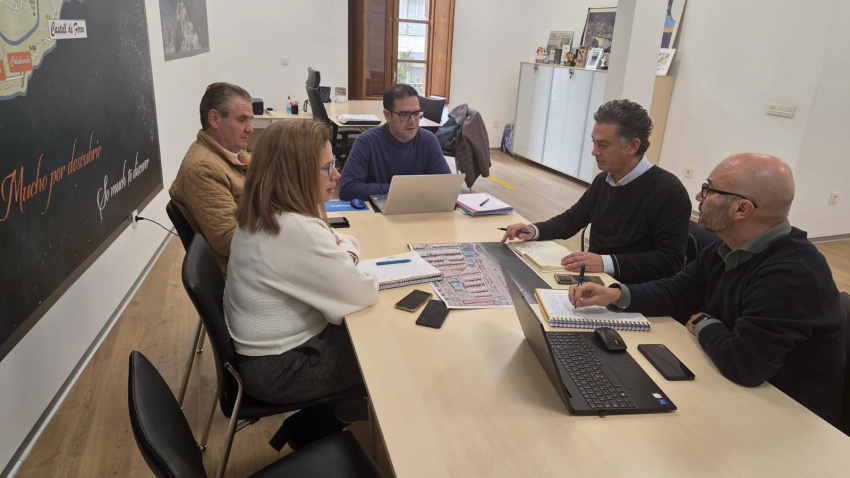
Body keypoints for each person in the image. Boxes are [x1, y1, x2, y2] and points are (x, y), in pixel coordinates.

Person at [568, 153, 846, 424]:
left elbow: (743, 365)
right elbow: (677, 292)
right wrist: (615, 295)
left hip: (788, 416)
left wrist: (703, 321)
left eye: (709, 189)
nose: (700, 197)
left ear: (742, 209)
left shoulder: (792, 275)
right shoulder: (727, 247)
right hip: (736, 389)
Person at [223, 119, 378, 405]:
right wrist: (348, 255)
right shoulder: (293, 228)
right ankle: (326, 428)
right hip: (282, 369)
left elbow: (337, 243)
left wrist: (341, 253)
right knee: (390, 347)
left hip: (267, 356)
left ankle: (317, 428)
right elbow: (361, 292)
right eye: (327, 167)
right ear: (295, 173)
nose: (337, 175)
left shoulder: (265, 210)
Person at [502, 99, 691, 284]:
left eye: (603, 145)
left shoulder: (668, 191)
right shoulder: (604, 180)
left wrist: (605, 262)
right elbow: (571, 221)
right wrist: (534, 230)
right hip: (597, 282)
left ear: (633, 146)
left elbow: (669, 261)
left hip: (633, 293)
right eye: (594, 142)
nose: (594, 152)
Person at [169, 82, 254, 275]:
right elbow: (230, 239)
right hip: (242, 274)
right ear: (215, 119)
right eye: (242, 120)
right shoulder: (203, 168)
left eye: (250, 120)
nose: (250, 129)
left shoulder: (233, 154)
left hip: (253, 262)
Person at [338, 84, 451, 200]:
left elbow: (447, 186)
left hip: (417, 211)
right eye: (405, 115)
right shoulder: (366, 142)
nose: (412, 121)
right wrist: (401, 189)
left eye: (417, 114)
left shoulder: (428, 141)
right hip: (376, 214)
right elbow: (347, 189)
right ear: (387, 115)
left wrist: (401, 190)